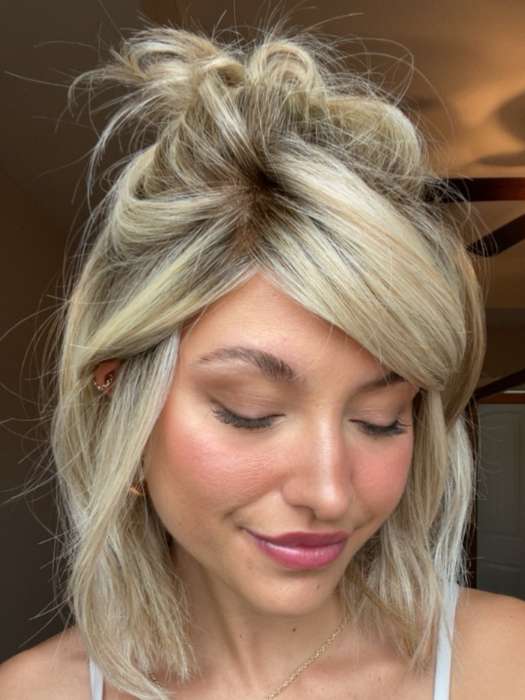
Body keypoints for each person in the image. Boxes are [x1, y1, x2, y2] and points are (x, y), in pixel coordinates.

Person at [1, 18, 525, 700]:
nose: (330, 493)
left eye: (381, 418)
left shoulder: (507, 664)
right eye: (249, 412)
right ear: (122, 402)